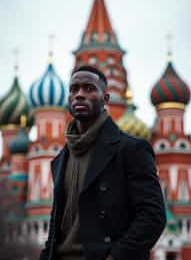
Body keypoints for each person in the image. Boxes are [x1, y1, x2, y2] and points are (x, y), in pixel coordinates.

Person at [39, 66, 166, 260]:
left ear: (105, 99)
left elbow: (153, 217)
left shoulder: (131, 149)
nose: (80, 95)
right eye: (74, 89)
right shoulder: (60, 159)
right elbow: (57, 225)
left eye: (89, 88)